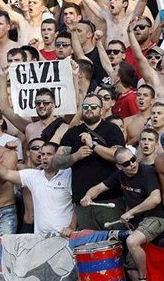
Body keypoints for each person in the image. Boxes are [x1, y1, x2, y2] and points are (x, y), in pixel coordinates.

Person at [81, 147, 164, 281]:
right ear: (119, 166)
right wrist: (88, 196)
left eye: (133, 159)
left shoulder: (147, 172)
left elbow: (155, 199)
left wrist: (130, 212)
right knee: (131, 268)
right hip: (139, 223)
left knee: (132, 241)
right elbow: (98, 188)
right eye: (126, 163)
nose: (132, 164)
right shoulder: (119, 175)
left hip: (157, 217)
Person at [54, 94, 126, 230]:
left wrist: (93, 145)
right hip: (83, 203)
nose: (89, 109)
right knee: (89, 245)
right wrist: (75, 156)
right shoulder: (73, 132)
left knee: (115, 243)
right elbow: (57, 162)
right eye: (86, 107)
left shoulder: (112, 129)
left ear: (102, 110)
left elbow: (118, 156)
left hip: (110, 199)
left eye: (93, 107)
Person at [0, 142, 76, 235]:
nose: (44, 157)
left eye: (49, 154)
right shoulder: (33, 175)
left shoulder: (69, 174)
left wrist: (72, 226)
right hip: (40, 238)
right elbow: (5, 174)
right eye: (42, 154)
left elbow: (77, 204)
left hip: (65, 236)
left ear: (58, 156)